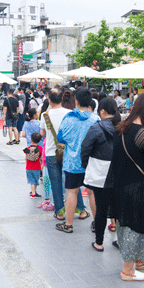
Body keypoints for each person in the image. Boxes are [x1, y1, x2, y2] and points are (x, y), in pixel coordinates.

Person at [103, 93, 144, 281]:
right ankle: (128, 271)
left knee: (133, 223)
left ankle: (139, 260)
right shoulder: (143, 133)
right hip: (136, 186)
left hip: (120, 182)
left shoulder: (122, 127)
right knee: (134, 226)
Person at [55, 88, 98, 233]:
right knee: (92, 193)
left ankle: (69, 224)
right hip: (91, 162)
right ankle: (97, 223)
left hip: (72, 161)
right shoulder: (95, 119)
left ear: (77, 101)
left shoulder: (68, 118)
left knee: (72, 192)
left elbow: (60, 138)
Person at [81, 98, 121, 252]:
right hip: (118, 173)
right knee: (118, 208)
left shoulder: (96, 128)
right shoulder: (122, 128)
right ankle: (119, 240)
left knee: (100, 209)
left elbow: (85, 149)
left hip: (99, 174)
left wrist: (86, 165)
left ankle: (99, 242)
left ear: (102, 111)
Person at [40, 88, 85, 221]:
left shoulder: (45, 115)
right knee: (73, 181)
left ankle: (59, 212)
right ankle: (81, 210)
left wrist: (47, 109)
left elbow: (42, 131)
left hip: (51, 153)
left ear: (49, 100)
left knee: (56, 183)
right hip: (68, 152)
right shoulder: (71, 113)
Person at [24, 132, 43, 198]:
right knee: (35, 180)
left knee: (31, 181)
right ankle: (34, 192)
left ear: (31, 140)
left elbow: (25, 158)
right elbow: (41, 158)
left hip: (28, 167)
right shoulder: (40, 148)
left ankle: (33, 192)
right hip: (37, 167)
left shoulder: (28, 148)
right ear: (40, 140)